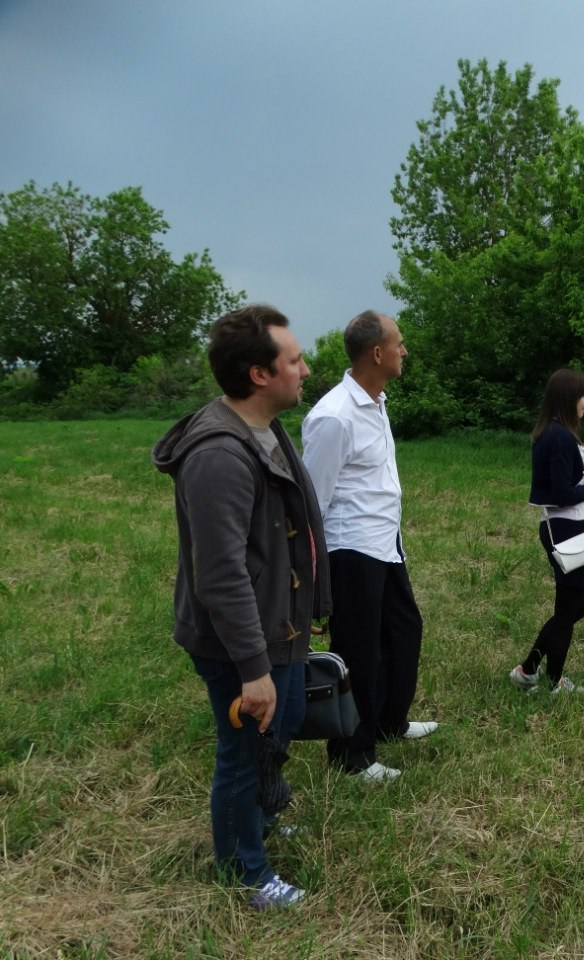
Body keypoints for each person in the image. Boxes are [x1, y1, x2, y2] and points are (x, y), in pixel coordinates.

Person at [152, 304, 330, 911]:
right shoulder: (218, 455)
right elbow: (221, 575)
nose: (306, 369)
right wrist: (254, 669)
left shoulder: (265, 428)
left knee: (276, 733)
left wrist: (314, 603)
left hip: (276, 624)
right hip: (238, 642)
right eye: (295, 360)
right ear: (260, 374)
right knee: (243, 753)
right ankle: (245, 874)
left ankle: (260, 824)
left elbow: (295, 526)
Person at [301, 311, 434, 784]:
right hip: (350, 549)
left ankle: (387, 722)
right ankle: (351, 757)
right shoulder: (334, 416)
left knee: (403, 632)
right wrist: (315, 579)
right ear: (376, 353)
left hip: (384, 543)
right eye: (399, 343)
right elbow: (311, 499)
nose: (405, 351)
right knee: (357, 651)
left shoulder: (375, 402)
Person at [510, 368, 584, 694]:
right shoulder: (558, 436)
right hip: (566, 529)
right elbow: (560, 495)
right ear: (570, 397)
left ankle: (530, 670)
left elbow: (565, 484)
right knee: (570, 609)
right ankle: (550, 679)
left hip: (569, 525)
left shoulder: (557, 433)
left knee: (573, 607)